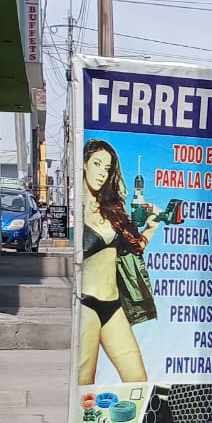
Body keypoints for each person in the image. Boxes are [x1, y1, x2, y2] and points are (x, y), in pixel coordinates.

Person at [77, 139, 162, 384]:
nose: (102, 173)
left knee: (138, 379)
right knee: (84, 381)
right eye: (97, 164)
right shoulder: (76, 210)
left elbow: (135, 247)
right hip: (86, 305)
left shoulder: (111, 209)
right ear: (84, 165)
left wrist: (151, 228)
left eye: (107, 168)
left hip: (113, 306)